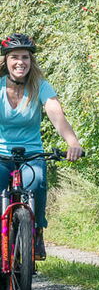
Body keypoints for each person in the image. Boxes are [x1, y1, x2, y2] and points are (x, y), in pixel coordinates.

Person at [0, 33, 84, 260]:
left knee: (36, 182)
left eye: (25, 57)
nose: (20, 62)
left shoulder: (40, 87)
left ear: (31, 61)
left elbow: (57, 115)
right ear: (6, 61)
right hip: (1, 156)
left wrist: (72, 142)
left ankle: (36, 232)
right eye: (15, 57)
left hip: (32, 154)